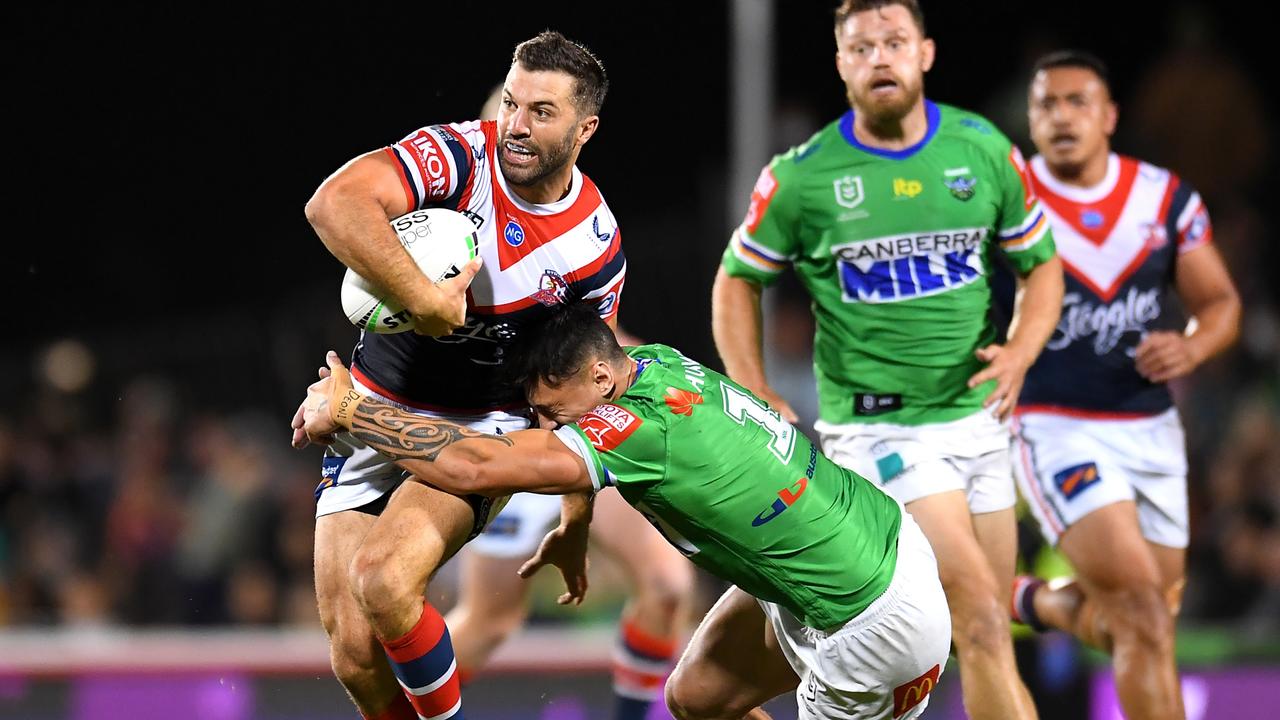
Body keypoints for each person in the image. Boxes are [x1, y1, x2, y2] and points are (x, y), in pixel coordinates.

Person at [297, 303, 952, 720]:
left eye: (553, 414)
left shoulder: (636, 430)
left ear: (600, 382)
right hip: (862, 548)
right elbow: (585, 458)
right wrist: (575, 525)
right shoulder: (656, 364)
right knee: (694, 700)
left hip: (873, 625)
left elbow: (474, 467)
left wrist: (354, 410)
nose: (548, 428)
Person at [710, 2, 1063, 718]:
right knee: (986, 627)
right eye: (861, 46)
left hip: (978, 421)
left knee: (982, 629)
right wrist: (751, 386)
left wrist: (1023, 349)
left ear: (925, 52)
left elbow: (1043, 265)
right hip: (882, 437)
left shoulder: (982, 148)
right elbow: (736, 281)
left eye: (894, 42)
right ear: (841, 64)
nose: (880, 57)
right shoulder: (803, 177)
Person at [297, 31, 625, 720]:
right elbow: (332, 205)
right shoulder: (456, 155)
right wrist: (421, 294)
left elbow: (580, 400)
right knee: (356, 655)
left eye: (542, 111)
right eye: (511, 103)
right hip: (371, 403)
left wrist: (576, 518)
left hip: (481, 426)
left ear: (584, 127)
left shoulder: (593, 249)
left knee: (383, 581)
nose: (516, 126)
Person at [445, 85, 694, 720]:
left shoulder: (575, 227)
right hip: (502, 440)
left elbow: (595, 345)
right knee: (491, 621)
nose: (517, 137)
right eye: (505, 121)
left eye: (534, 121)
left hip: (568, 435)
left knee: (667, 587)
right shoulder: (450, 236)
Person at [1008, 51, 1241, 720]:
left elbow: (1220, 301)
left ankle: (1038, 601)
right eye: (1046, 104)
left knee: (1146, 623)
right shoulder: (1007, 198)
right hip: (1054, 424)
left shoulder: (1165, 200)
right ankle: (1036, 601)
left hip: (1151, 426)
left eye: (1077, 101)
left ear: (1109, 116)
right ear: (1031, 120)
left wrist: (1193, 344)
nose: (1061, 116)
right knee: (1139, 607)